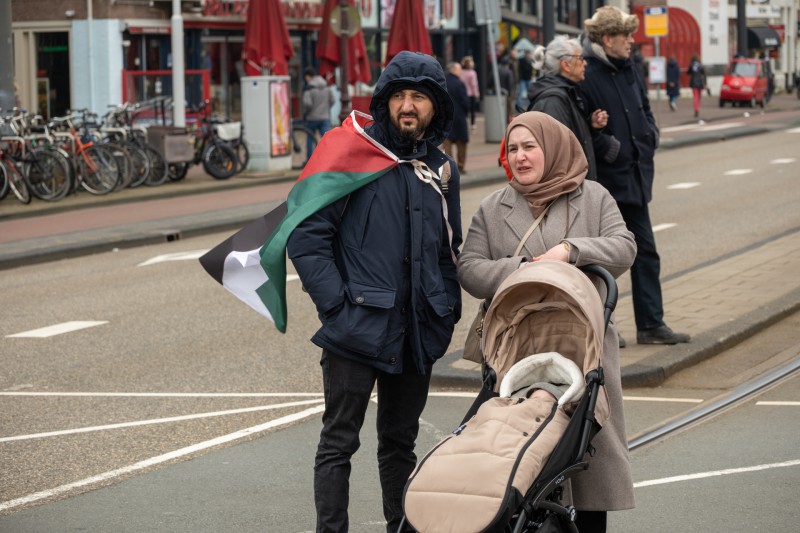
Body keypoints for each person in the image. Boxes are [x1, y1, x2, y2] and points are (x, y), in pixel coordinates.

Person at [287, 51, 462, 533]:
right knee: (338, 442)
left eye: (419, 98)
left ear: (435, 106)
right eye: (400, 96)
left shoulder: (442, 169)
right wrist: (337, 308)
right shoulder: (349, 154)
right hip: (355, 329)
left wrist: (446, 309)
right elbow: (306, 238)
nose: (408, 106)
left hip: (416, 329)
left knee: (400, 443)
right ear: (384, 102)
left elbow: (450, 247)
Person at [457, 111, 637, 532]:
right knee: (521, 456)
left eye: (529, 147)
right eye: (513, 149)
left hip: (585, 344)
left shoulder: (593, 197)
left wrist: (568, 251)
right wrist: (522, 269)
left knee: (591, 455)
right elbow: (469, 268)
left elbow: (624, 247)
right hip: (519, 348)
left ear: (552, 148)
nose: (520, 157)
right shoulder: (492, 207)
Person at [580, 5, 691, 346]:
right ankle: (602, 330)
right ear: (608, 38)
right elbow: (580, 127)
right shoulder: (586, 73)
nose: (631, 41)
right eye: (625, 36)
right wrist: (609, 147)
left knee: (646, 253)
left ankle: (651, 325)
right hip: (608, 184)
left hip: (637, 178)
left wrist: (650, 135)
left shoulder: (629, 68)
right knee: (600, 260)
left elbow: (643, 108)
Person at [529, 35, 609, 181]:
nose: (585, 64)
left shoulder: (567, 93)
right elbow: (556, 158)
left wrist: (590, 125)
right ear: (566, 65)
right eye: (581, 59)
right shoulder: (553, 101)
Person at [301, 66, 335, 159]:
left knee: (310, 138)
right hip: (325, 117)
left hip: (312, 117)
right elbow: (333, 100)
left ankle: (310, 159)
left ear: (307, 76)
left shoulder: (309, 88)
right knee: (326, 139)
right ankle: (329, 158)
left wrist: (306, 113)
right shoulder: (326, 85)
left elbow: (307, 104)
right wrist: (326, 109)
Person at [443, 61, 470, 173]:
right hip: (459, 117)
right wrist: (466, 111)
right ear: (453, 70)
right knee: (461, 143)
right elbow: (465, 102)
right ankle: (460, 166)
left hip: (446, 117)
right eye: (459, 69)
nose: (461, 71)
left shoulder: (443, 83)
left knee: (447, 142)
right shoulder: (459, 84)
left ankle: (450, 167)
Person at [460, 55, 480, 131]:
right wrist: (477, 94)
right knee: (472, 110)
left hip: (463, 94)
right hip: (471, 94)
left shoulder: (461, 72)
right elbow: (474, 85)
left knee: (464, 110)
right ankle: (473, 124)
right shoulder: (472, 73)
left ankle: (464, 123)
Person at [498, 55, 516, 122]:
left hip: (498, 94)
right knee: (508, 109)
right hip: (507, 94)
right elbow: (510, 83)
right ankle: (507, 122)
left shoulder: (497, 70)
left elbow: (490, 82)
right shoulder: (509, 72)